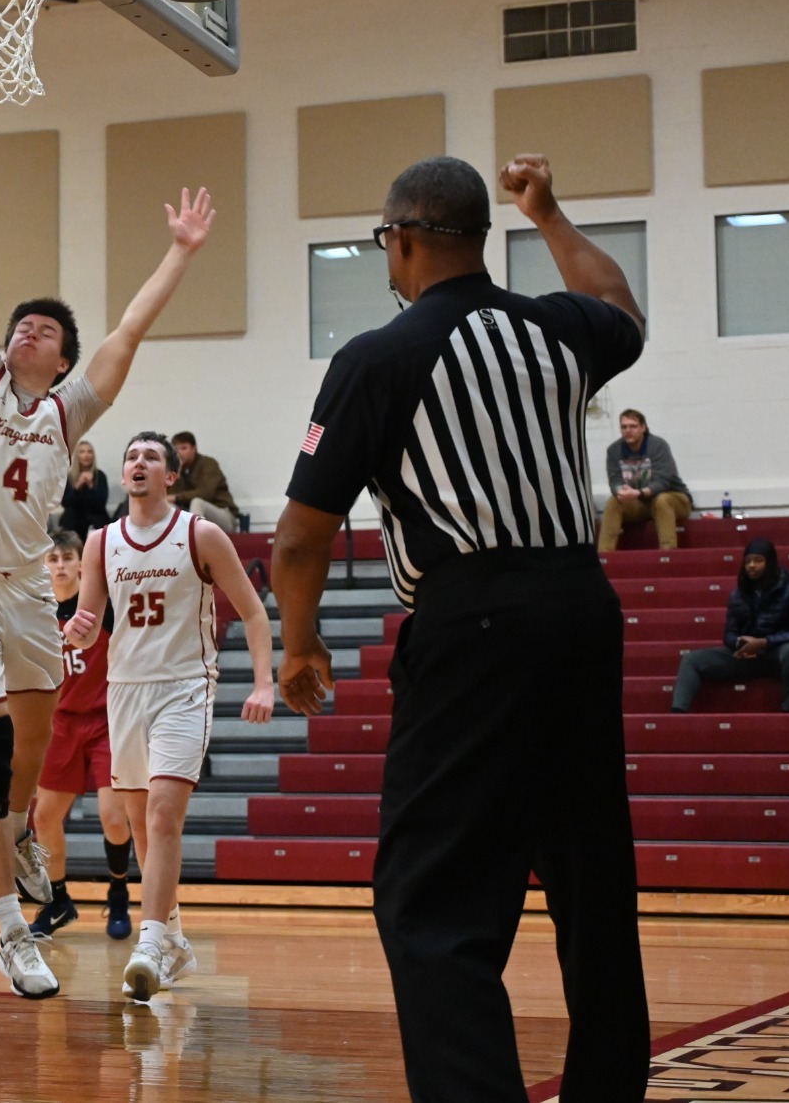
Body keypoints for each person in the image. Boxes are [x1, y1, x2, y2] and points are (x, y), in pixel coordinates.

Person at [271, 153, 651, 1102]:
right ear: (481, 238)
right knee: (589, 880)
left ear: (399, 239)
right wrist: (551, 212)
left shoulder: (378, 355)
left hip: (473, 623)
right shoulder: (556, 329)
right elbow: (623, 309)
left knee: (431, 902)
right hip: (581, 609)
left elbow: (299, 538)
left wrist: (301, 643)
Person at [0, 112, 214, 999]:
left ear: (63, 359)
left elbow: (127, 331)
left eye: (45, 332)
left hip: (23, 596)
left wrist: (180, 253)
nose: (27, 334)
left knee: (30, 754)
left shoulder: (68, 413)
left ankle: (11, 839)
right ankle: (13, 931)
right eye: (22, 327)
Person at [66, 433, 273, 1002]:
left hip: (185, 686)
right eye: (131, 455)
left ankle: (150, 942)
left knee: (162, 816)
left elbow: (254, 613)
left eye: (150, 457)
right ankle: (176, 938)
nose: (137, 463)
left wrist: (263, 682)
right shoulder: (100, 541)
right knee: (140, 828)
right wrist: (76, 627)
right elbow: (89, 616)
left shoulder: (200, 534)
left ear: (170, 476)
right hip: (124, 689)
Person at [27, 531, 132, 939]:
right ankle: (58, 901)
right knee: (44, 816)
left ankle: (119, 892)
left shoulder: (99, 605)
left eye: (67, 558)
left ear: (81, 564)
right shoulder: (36, 610)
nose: (59, 565)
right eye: (52, 559)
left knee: (113, 816)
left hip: (106, 719)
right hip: (60, 723)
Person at [672, 538, 789, 713]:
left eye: (758, 560)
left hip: (781, 654)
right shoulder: (738, 594)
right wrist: (740, 643)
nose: (751, 566)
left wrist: (764, 642)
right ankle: (677, 714)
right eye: (748, 561)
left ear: (770, 562)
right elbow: (729, 634)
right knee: (692, 659)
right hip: (749, 656)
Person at [598, 409, 693, 551]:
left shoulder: (658, 445)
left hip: (674, 499)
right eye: (624, 427)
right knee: (614, 501)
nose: (628, 430)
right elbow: (614, 480)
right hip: (640, 503)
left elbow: (663, 481)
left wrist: (639, 493)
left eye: (633, 426)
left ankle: (668, 555)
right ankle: (604, 556)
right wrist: (621, 491)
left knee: (662, 500)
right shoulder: (614, 450)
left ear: (643, 427)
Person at [168, 433, 240, 530]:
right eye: (176, 450)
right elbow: (168, 497)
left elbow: (206, 493)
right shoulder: (175, 469)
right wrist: (177, 477)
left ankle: (194, 541)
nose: (179, 453)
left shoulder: (208, 464)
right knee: (169, 507)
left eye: (184, 448)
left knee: (197, 503)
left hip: (222, 514)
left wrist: (177, 497)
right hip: (192, 515)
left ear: (194, 448)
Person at [59, 442, 112, 537]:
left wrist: (91, 485)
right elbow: (65, 503)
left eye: (89, 452)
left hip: (96, 522)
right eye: (82, 452)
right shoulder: (69, 477)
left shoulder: (100, 476)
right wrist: (77, 485)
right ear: (77, 456)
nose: (86, 455)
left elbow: (101, 504)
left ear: (93, 456)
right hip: (73, 523)